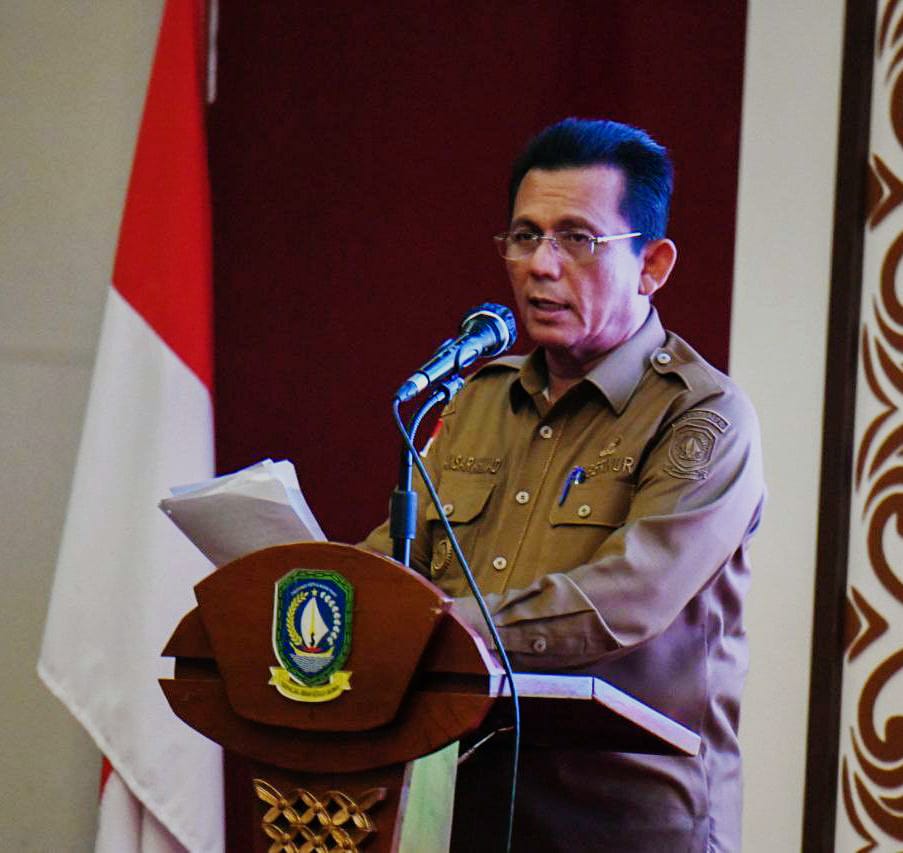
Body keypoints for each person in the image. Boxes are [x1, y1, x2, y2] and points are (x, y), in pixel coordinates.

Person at [364, 117, 764, 852]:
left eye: (577, 238)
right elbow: (397, 561)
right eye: (525, 236)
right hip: (460, 812)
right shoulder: (476, 400)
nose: (541, 266)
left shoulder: (701, 416)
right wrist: (311, 594)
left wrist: (436, 629)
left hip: (623, 826)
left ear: (652, 265)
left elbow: (629, 598)